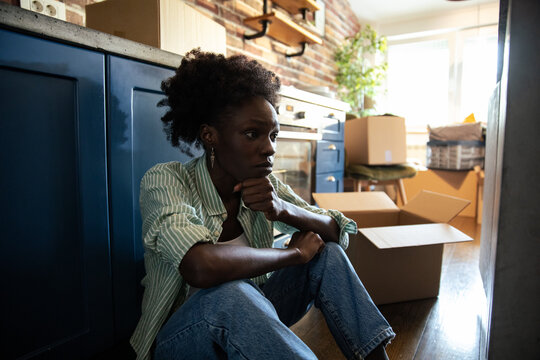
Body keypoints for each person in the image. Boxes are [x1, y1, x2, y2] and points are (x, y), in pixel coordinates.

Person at [130, 49, 395, 360]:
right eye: (252, 134)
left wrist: (283, 209)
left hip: (248, 323)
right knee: (232, 292)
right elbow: (199, 267)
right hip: (185, 339)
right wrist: (292, 254)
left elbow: (337, 233)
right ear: (209, 135)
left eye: (273, 135)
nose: (269, 149)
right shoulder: (165, 180)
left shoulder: (265, 184)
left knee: (328, 256)